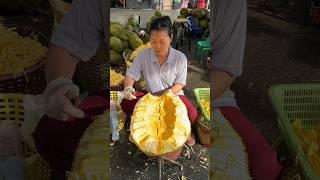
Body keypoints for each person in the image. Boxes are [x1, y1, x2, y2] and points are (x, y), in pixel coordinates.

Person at [32, 0, 108, 179]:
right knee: (49, 133)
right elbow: (66, 47)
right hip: (112, 95)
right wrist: (58, 86)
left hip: (145, 94)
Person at [209, 0, 283, 179]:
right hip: (156, 93)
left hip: (214, 97)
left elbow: (226, 71)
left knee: (265, 165)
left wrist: (191, 103)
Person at [120, 16, 198, 159]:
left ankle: (185, 133)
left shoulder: (180, 58)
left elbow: (180, 84)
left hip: (173, 94)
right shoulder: (143, 55)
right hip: (150, 93)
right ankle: (139, 128)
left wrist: (165, 96)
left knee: (192, 113)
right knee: (125, 102)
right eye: (153, 41)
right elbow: (131, 75)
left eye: (162, 41)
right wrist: (128, 89)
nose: (157, 46)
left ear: (171, 38)